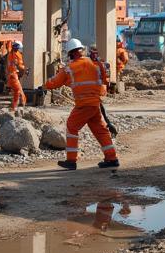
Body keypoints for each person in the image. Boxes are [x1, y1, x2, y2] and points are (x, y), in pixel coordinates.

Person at [39, 38, 119, 171]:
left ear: (70, 53)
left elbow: (55, 82)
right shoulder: (93, 63)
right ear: (81, 50)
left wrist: (43, 86)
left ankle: (71, 160)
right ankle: (112, 158)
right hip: (95, 103)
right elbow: (97, 80)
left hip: (83, 104)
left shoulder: (69, 68)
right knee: (100, 130)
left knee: (72, 126)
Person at [6, 40, 27, 111]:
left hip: (13, 75)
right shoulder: (15, 55)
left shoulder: (11, 54)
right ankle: (14, 107)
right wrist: (24, 70)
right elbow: (18, 65)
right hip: (13, 76)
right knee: (17, 91)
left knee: (19, 91)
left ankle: (19, 105)